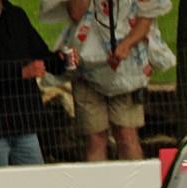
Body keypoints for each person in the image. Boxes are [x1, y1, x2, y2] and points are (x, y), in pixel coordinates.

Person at [64, 0, 172, 161]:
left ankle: (134, 184)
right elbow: (76, 14)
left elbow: (145, 21)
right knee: (95, 139)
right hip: (88, 71)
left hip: (127, 73)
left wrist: (126, 45)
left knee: (126, 135)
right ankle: (98, 186)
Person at [0, 0, 69, 166]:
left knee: (36, 186)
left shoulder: (16, 15)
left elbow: (40, 54)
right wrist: (21, 72)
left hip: (23, 125)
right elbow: (26, 69)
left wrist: (61, 61)